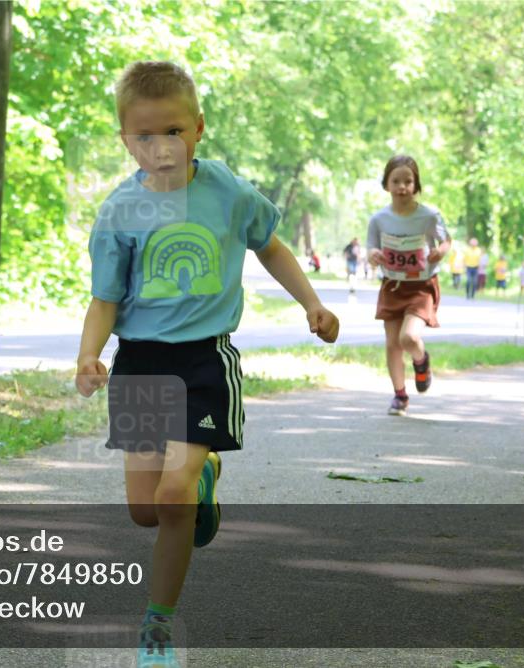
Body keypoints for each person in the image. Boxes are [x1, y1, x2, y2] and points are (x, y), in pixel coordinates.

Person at [75, 61, 339, 668]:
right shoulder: (119, 212)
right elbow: (105, 297)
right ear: (124, 139)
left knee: (172, 498)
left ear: (197, 128)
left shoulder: (228, 191)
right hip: (140, 364)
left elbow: (269, 243)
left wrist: (313, 303)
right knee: (145, 510)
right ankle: (207, 472)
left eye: (172, 131)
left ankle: (158, 626)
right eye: (143, 136)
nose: (159, 147)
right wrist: (89, 354)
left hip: (203, 361)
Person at [366, 155, 450, 416]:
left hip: (421, 285)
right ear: (386, 184)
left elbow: (446, 241)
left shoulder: (429, 216)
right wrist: (373, 255)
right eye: (396, 181)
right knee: (392, 343)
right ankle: (400, 395)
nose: (402, 186)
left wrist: (440, 252)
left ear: (416, 185)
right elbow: (371, 248)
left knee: (409, 337)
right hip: (392, 285)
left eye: (408, 181)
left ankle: (421, 361)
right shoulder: (379, 219)